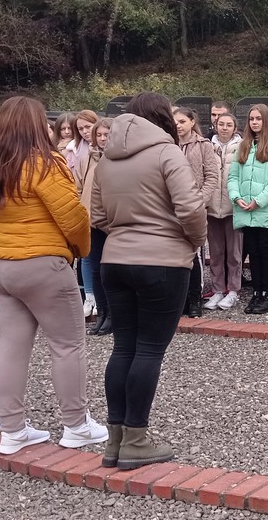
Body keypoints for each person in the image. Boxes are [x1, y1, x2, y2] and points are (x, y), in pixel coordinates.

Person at [0, 96, 104, 454]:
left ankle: (13, 429)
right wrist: (81, 249)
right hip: (39, 261)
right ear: (36, 125)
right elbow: (73, 217)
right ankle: (76, 424)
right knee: (67, 345)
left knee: (12, 346)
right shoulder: (44, 163)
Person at [91, 92, 207, 469]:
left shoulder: (106, 159)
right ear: (162, 118)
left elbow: (96, 214)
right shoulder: (167, 153)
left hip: (115, 259)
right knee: (149, 350)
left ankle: (115, 440)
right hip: (163, 260)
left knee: (123, 347)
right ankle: (136, 440)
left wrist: (123, 232)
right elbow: (191, 207)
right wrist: (193, 240)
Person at [229, 104, 268, 314]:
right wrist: (236, 197)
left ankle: (267, 294)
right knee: (253, 253)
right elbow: (233, 176)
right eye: (251, 119)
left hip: (267, 209)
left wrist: (259, 200)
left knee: (266, 251)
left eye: (258, 119)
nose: (254, 122)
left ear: (266, 120)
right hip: (246, 209)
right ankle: (257, 292)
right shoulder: (244, 145)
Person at [173, 107, 217, 316]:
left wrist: (198, 202)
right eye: (175, 122)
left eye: (182, 121)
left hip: (195, 207)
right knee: (175, 253)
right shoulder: (168, 145)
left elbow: (211, 176)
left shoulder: (203, 145)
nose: (178, 126)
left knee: (195, 254)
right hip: (172, 207)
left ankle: (194, 298)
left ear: (192, 122)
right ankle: (179, 298)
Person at [203, 114, 243, 310]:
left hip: (233, 206)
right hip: (212, 207)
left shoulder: (242, 146)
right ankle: (218, 289)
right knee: (216, 252)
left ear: (235, 128)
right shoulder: (207, 146)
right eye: (221, 124)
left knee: (234, 253)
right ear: (215, 126)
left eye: (229, 125)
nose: (224, 128)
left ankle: (233, 290)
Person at [81, 117, 114, 334]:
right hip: (91, 220)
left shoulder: (119, 158)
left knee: (109, 270)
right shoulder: (88, 158)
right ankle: (102, 312)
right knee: (95, 269)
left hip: (111, 221)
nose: (102, 139)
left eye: (106, 135)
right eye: (99, 135)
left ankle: (113, 313)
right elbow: (78, 185)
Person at [65, 110, 97, 175]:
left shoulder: (108, 147)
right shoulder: (73, 149)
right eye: (80, 129)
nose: (84, 131)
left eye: (88, 127)